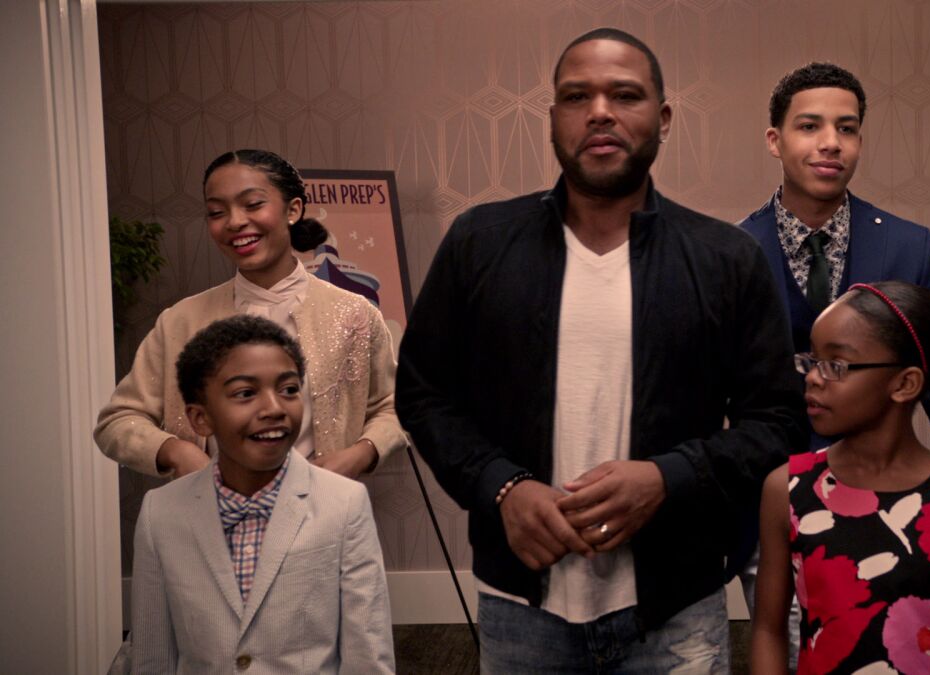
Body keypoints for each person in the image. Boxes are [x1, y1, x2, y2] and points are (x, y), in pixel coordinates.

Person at [395, 27, 804, 673]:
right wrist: (501, 487)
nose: (600, 112)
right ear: (553, 118)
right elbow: (423, 394)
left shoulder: (726, 259)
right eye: (576, 96)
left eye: (625, 94)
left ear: (663, 119)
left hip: (676, 607)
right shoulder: (479, 243)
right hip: (520, 606)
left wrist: (667, 478)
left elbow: (777, 420)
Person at [740, 63, 930, 485]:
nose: (830, 143)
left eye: (846, 129)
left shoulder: (906, 246)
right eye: (809, 126)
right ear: (775, 141)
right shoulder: (735, 251)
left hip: (883, 490)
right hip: (767, 494)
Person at [95, 148, 406, 480]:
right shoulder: (180, 321)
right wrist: (176, 452)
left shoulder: (355, 314)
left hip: (322, 505)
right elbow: (117, 421)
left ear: (293, 209)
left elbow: (395, 407)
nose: (234, 222)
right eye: (217, 212)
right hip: (205, 506)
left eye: (253, 204)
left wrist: (361, 453)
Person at [750, 281, 930, 674]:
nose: (813, 378)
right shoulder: (787, 490)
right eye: (812, 360)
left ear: (904, 384)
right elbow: (768, 631)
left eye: (835, 365)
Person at [130, 315, 394, 673]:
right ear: (200, 418)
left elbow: (368, 658)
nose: (274, 408)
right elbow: (152, 657)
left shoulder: (344, 504)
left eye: (289, 390)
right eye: (245, 393)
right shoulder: (160, 513)